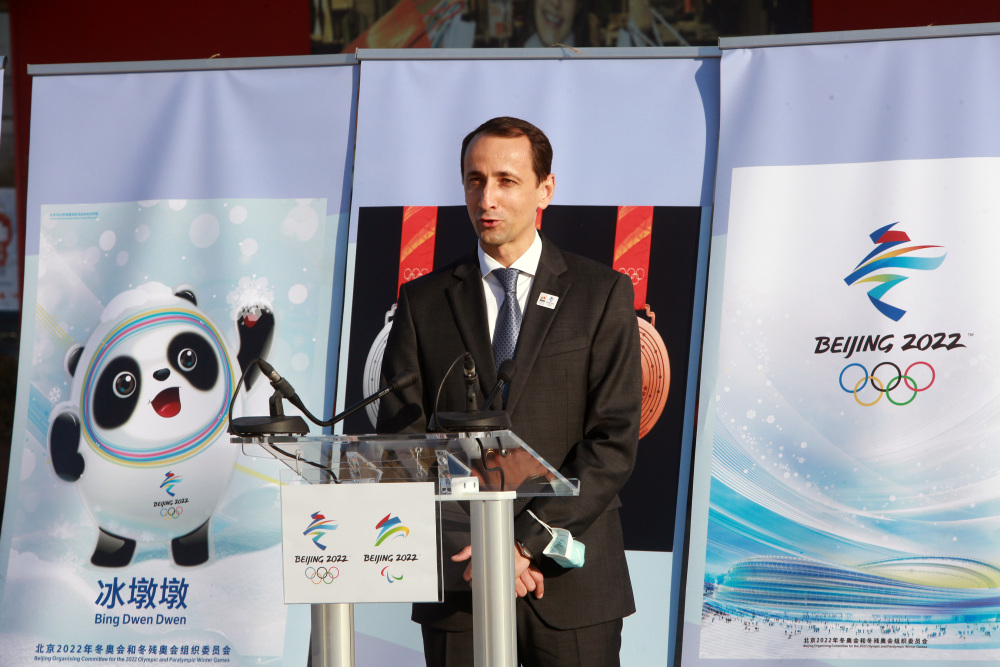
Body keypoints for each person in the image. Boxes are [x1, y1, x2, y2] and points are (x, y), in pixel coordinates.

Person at [376, 116, 641, 667]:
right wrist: (478, 542)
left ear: (546, 189)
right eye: (475, 180)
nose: (487, 198)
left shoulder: (601, 292)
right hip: (462, 573)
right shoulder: (422, 302)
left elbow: (612, 440)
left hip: (571, 580)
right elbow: (403, 439)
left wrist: (520, 543)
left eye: (506, 180)